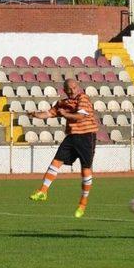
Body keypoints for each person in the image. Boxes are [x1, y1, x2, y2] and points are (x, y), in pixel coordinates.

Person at [28, 79, 98, 218]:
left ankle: (83, 203)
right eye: (69, 88)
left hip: (86, 136)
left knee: (85, 170)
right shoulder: (62, 103)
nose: (72, 90)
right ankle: (43, 191)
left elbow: (80, 116)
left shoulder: (83, 98)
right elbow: (48, 113)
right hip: (72, 136)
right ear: (64, 90)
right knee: (56, 161)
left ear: (78, 87)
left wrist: (65, 115)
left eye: (74, 87)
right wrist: (36, 115)